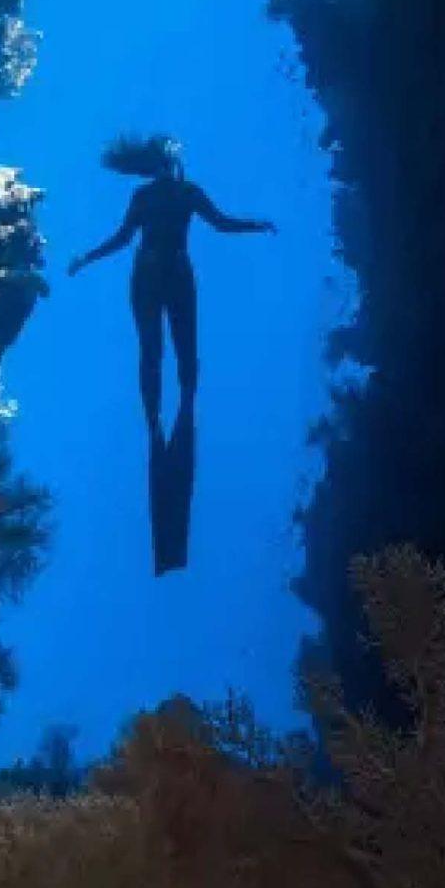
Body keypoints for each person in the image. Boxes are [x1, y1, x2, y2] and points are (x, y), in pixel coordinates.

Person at [67, 134, 273, 572]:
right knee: (161, 353)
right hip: (161, 271)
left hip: (165, 272)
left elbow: (220, 223)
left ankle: (170, 414)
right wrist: (87, 257)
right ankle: (162, 417)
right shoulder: (166, 194)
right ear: (165, 163)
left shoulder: (179, 193)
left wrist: (254, 225)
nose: (172, 166)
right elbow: (123, 239)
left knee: (176, 353)